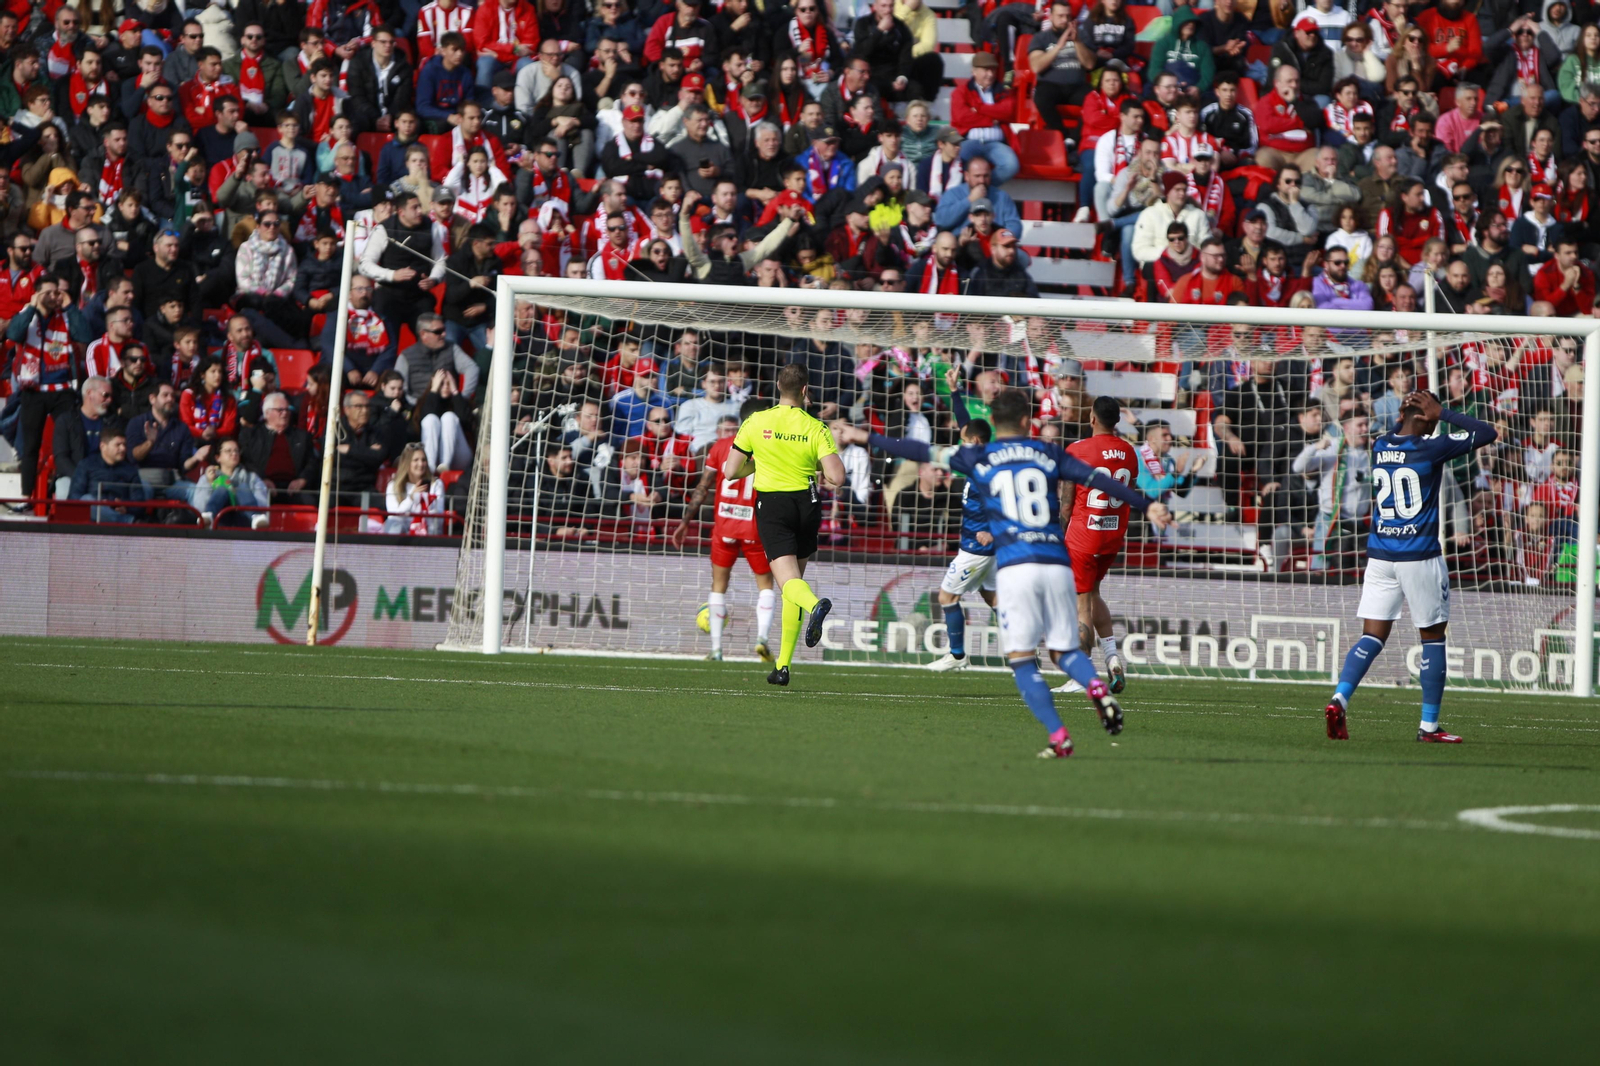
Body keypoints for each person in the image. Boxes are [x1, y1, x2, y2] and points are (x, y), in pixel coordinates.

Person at [850, 388, 1171, 757]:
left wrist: (864, 436)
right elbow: (1100, 481)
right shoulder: (1048, 452)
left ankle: (1059, 736)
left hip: (1017, 565)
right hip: (1055, 560)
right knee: (1064, 651)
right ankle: (1096, 689)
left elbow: (921, 451)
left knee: (1021, 658)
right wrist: (1147, 506)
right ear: (1025, 421)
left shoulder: (979, 456)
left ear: (995, 422)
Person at [1323, 391, 1497, 744]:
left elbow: (1402, 430)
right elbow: (1486, 432)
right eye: (1431, 418)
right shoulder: (1430, 448)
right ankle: (1429, 727)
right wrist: (1444, 412)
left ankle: (1339, 698)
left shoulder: (1379, 444)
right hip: (1419, 557)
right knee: (1432, 639)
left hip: (1380, 556)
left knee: (1372, 635)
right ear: (1426, 417)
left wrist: (1412, 413)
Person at [721, 362, 846, 686]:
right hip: (807, 502)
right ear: (805, 391)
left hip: (773, 504)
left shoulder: (757, 420)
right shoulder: (816, 427)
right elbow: (836, 477)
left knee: (789, 583)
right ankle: (783, 666)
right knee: (794, 581)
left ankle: (816, 604)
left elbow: (730, 471)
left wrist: (760, 461)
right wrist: (812, 461)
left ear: (779, 387)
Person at [670, 400, 779, 662]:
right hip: (755, 527)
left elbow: (703, 487)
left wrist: (685, 521)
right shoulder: (771, 448)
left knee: (718, 586)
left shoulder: (719, 447)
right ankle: (762, 638)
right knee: (765, 586)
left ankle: (717, 650)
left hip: (724, 527)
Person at [68, 424, 151, 524]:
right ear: (103, 446)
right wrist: (100, 503)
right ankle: (129, 521)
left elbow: (139, 503)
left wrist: (126, 508)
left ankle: (123, 519)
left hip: (120, 511)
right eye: (118, 445)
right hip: (93, 516)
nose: (123, 448)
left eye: (124, 444)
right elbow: (74, 496)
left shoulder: (130, 470)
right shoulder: (86, 465)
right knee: (87, 500)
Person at [385, 442, 447, 535]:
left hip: (428, 534)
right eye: (416, 460)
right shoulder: (393, 486)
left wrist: (427, 503)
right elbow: (394, 518)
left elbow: (439, 520)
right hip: (402, 536)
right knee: (392, 525)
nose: (421, 464)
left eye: (423, 460)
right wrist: (411, 498)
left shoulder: (436, 484)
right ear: (407, 463)